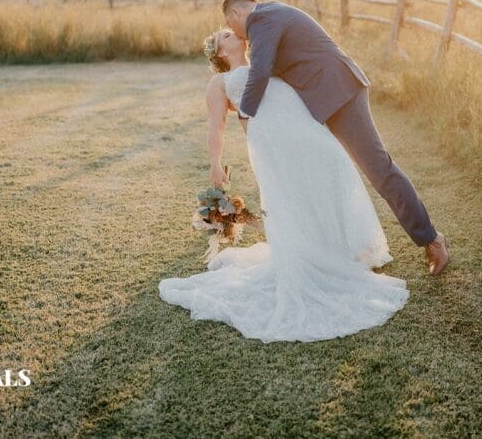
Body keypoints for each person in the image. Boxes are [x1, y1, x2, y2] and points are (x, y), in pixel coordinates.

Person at [157, 27, 409, 342]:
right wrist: (215, 164)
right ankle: (309, 260)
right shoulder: (220, 82)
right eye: (224, 36)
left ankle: (338, 252)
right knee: (290, 197)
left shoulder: (267, 61)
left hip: (306, 131)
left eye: (231, 31)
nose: (232, 34)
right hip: (273, 144)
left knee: (333, 175)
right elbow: (216, 126)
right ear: (219, 53)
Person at [223, 0, 449, 275]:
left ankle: (432, 239)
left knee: (378, 168)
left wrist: (245, 113)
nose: (235, 34)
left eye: (231, 28)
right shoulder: (270, 16)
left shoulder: (261, 19)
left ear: (234, 14)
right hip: (325, 99)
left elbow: (260, 71)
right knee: (325, 173)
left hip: (340, 94)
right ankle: (338, 249)